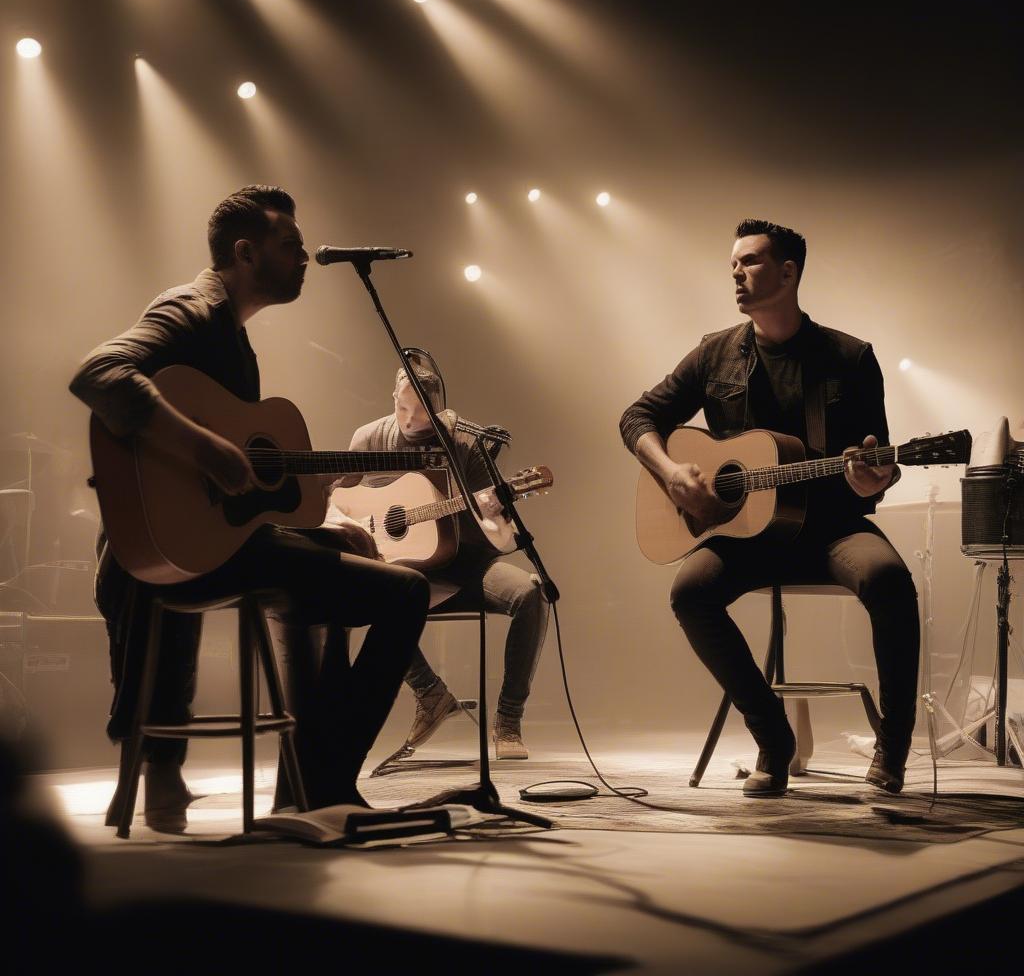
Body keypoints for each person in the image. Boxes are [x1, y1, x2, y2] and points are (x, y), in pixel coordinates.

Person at [69, 185, 429, 827]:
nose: (303, 259)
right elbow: (99, 372)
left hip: (215, 545)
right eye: (289, 246)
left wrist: (323, 525)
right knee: (404, 593)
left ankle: (305, 784)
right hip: (175, 551)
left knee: (331, 561)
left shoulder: (231, 339)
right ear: (245, 253)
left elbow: (253, 494)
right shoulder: (191, 310)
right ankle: (320, 781)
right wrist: (203, 447)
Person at [620, 219, 919, 797]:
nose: (736, 273)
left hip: (831, 528)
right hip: (750, 533)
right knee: (690, 594)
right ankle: (773, 738)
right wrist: (672, 471)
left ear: (788, 273)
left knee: (888, 580)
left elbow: (871, 471)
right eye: (732, 263)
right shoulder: (715, 354)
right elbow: (637, 417)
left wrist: (868, 479)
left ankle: (893, 745)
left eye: (750, 262)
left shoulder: (850, 358)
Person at [329, 361, 550, 759]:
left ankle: (509, 721)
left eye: (422, 412)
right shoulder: (369, 438)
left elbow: (500, 538)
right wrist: (360, 528)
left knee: (531, 593)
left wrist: (492, 510)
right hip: (403, 570)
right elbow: (334, 503)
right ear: (392, 398)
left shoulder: (464, 443)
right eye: (402, 409)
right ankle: (430, 694)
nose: (411, 420)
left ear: (439, 407)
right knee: (359, 595)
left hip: (465, 565)